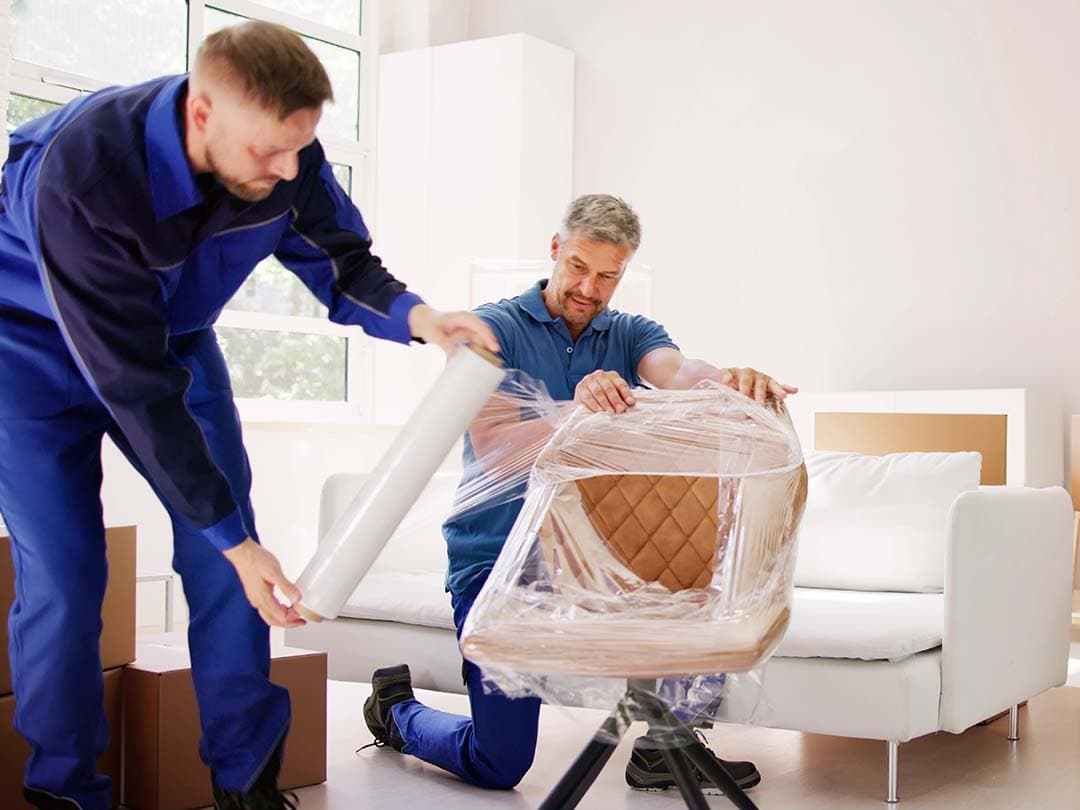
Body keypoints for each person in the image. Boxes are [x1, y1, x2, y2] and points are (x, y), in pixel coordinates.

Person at [0, 21, 496, 810]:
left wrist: (418, 317)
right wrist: (228, 537)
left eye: (301, 146)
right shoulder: (85, 172)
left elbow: (342, 259)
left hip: (174, 342)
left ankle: (246, 780)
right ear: (202, 115)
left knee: (238, 574)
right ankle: (65, 790)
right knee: (67, 574)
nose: (290, 168)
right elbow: (136, 389)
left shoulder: (284, 158)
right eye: (271, 150)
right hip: (29, 357)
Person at [363, 194, 796, 795]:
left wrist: (730, 381)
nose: (590, 288)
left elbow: (677, 371)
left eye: (609, 276)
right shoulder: (494, 329)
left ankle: (659, 745)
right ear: (554, 251)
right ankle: (395, 713)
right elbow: (494, 446)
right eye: (578, 268)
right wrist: (580, 409)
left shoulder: (629, 334)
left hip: (604, 560)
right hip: (499, 562)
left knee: (707, 586)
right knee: (500, 763)